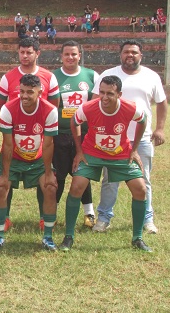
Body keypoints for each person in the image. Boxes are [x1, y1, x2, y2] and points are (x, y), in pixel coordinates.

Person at [59, 75, 152, 252]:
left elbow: (143, 121)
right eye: (101, 92)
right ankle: (68, 236)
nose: (104, 97)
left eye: (110, 93)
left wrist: (134, 149)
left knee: (140, 189)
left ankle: (137, 238)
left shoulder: (130, 107)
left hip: (120, 154)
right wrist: (79, 151)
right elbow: (75, 121)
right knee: (76, 186)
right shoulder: (88, 107)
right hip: (91, 153)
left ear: (119, 94)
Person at [92, 40, 167, 235]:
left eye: (134, 52)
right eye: (126, 52)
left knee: (144, 179)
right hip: (112, 138)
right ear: (120, 55)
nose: (130, 55)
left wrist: (159, 129)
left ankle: (147, 220)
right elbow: (93, 103)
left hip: (141, 138)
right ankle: (103, 218)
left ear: (141, 55)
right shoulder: (109, 75)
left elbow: (162, 102)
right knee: (110, 180)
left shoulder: (151, 76)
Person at [0, 37, 59, 231]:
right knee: (4, 182)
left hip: (40, 137)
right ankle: (3, 219)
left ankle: (44, 219)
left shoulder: (49, 77)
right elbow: (0, 103)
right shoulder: (8, 77)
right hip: (16, 138)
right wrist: (17, 118)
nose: (24, 55)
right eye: (21, 52)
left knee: (48, 184)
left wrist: (39, 121)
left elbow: (54, 104)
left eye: (28, 52)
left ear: (37, 53)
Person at [52, 41, 99, 228]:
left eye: (74, 54)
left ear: (80, 55)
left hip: (84, 135)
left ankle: (89, 213)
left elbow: (96, 106)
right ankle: (51, 213)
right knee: (59, 175)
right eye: (66, 54)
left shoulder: (91, 75)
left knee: (82, 173)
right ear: (61, 56)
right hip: (59, 134)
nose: (70, 57)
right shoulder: (53, 77)